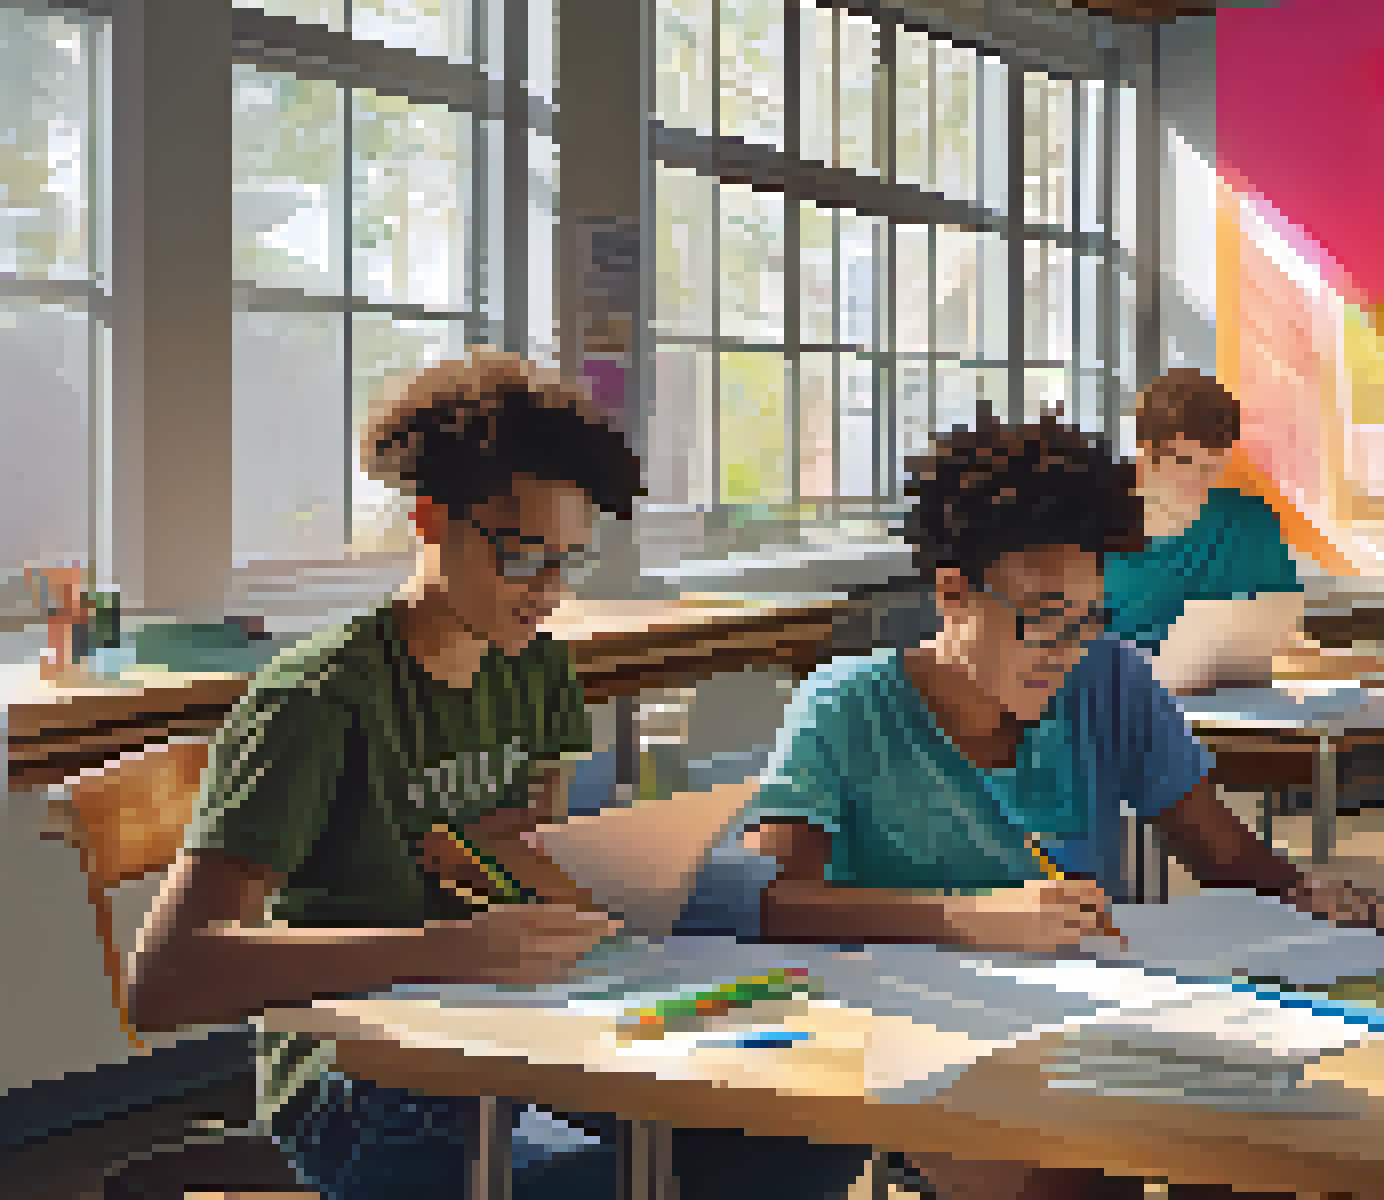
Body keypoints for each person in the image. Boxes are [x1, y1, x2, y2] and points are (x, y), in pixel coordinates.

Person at [124, 350, 872, 1199]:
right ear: (431, 520)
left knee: (802, 1138)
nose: (547, 589)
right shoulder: (319, 702)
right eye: (522, 556)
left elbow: (532, 873)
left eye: (569, 560)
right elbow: (169, 978)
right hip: (368, 1076)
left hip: (524, 1030)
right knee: (616, 1177)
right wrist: (458, 945)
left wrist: (574, 881)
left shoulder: (533, 667)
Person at [738, 417, 1384, 1200]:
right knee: (1057, 1170)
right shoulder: (847, 707)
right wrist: (963, 918)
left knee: (1269, 1147)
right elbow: (765, 902)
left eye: (1088, 620)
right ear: (954, 594)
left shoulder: (1108, 677)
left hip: (1091, 1015)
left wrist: (1299, 890)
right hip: (913, 1031)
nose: (1067, 651)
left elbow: (1217, 850)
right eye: (1043, 620)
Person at [1103, 369, 1308, 693]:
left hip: (1229, 717)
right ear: (1147, 452)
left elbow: (1277, 627)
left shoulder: (1249, 522)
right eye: (1184, 462)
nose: (1199, 481)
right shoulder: (1093, 521)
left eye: (1212, 466)